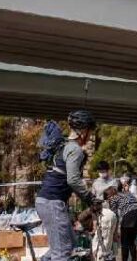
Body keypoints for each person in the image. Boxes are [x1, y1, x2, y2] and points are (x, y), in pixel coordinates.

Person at [37, 109, 97, 261]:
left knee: (69, 246)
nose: (90, 136)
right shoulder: (75, 150)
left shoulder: (64, 145)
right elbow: (73, 180)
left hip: (49, 201)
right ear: (83, 131)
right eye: (90, 132)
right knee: (63, 253)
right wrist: (90, 198)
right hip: (52, 202)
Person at [106, 179, 137, 261]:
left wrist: (114, 231)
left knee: (125, 243)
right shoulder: (127, 193)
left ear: (109, 195)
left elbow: (114, 215)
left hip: (130, 215)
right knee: (131, 241)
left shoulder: (113, 198)